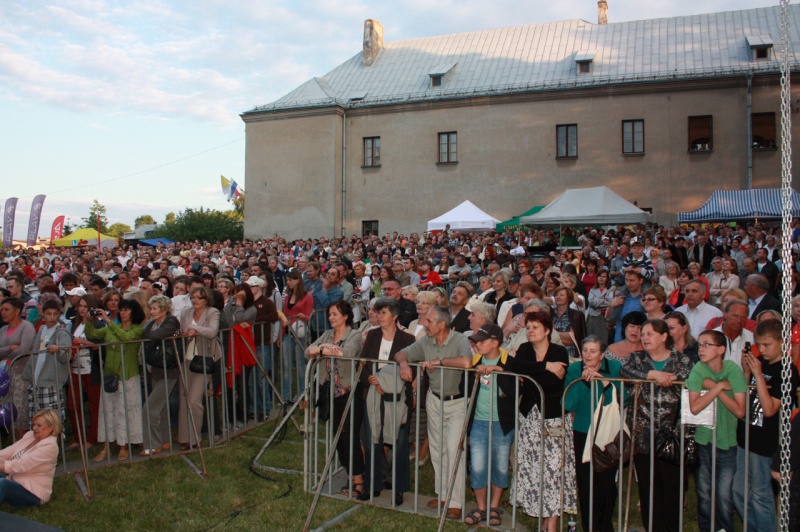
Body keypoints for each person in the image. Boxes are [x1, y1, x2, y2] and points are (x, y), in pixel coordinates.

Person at [395, 306, 473, 520]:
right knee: (437, 449)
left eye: (429, 321)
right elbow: (401, 353)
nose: (424, 324)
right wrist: (404, 365)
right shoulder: (426, 341)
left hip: (457, 402)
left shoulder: (459, 340)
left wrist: (440, 362)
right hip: (434, 399)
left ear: (442, 324)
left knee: (454, 449)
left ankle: (456, 502)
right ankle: (443, 495)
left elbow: (466, 362)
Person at [504, 311, 576, 531]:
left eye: (535, 327)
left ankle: (551, 522)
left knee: (554, 468)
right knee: (533, 466)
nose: (530, 331)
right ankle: (542, 513)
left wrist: (534, 373)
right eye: (528, 327)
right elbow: (515, 367)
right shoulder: (525, 349)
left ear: (547, 331)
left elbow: (554, 382)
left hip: (553, 418)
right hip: (529, 416)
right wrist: (545, 367)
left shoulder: (559, 351)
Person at [620, 319, 693, 532]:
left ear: (664, 336)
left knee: (672, 490)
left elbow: (690, 382)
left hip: (672, 436)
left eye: (650, 334)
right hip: (643, 435)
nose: (644, 337)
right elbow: (624, 372)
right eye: (643, 334)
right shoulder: (636, 358)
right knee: (648, 489)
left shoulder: (682, 360)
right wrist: (652, 375)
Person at [733, 319, 800, 532]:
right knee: (739, 490)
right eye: (759, 344)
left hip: (766, 441)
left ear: (782, 342)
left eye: (767, 344)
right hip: (746, 436)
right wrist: (747, 372)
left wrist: (758, 375)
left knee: (760, 493)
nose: (761, 349)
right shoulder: (759, 363)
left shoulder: (787, 370)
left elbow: (770, 409)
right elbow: (745, 396)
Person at [686, 329, 746, 532]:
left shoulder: (732, 370)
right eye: (699, 345)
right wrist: (719, 388)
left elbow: (740, 410)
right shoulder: (698, 369)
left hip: (727, 442)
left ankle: (725, 529)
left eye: (706, 345)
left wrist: (714, 388)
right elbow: (695, 407)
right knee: (704, 492)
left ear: (721, 349)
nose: (701, 349)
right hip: (704, 441)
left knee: (724, 495)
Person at [359, 297, 416, 504]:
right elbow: (363, 363)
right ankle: (373, 484)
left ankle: (398, 487)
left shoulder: (408, 339)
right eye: (377, 312)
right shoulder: (372, 336)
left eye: (383, 313)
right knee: (372, 440)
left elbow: (412, 369)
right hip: (373, 394)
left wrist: (389, 383)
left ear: (395, 315)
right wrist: (371, 380)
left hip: (398, 397)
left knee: (399, 443)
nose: (378, 316)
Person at [305, 301, 365, 498]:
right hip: (330, 392)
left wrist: (321, 349)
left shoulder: (354, 335)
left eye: (335, 314)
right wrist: (324, 347)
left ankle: (358, 479)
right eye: (330, 314)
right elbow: (308, 351)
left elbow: (347, 353)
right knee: (338, 436)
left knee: (350, 436)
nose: (331, 317)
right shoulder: (328, 335)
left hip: (349, 391)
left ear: (346, 316)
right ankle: (351, 473)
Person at [563, 335, 622, 532]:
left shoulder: (614, 368)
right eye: (585, 351)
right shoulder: (574, 369)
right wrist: (583, 381)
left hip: (607, 431)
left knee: (606, 483)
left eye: (593, 351)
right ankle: (590, 526)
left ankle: (605, 525)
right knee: (586, 482)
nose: (588, 355)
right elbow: (568, 403)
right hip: (583, 430)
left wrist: (603, 381)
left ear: (602, 354)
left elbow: (622, 397)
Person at [463, 323, 516, 527]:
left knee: (500, 467)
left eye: (481, 341)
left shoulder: (509, 361)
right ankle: (481, 507)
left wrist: (499, 371)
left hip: (502, 424)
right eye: (476, 341)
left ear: (495, 343)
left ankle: (494, 506)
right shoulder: (475, 361)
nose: (477, 344)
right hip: (479, 421)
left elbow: (515, 390)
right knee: (477, 466)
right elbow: (465, 387)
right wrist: (473, 373)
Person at [85, 298, 145, 462]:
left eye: (126, 310)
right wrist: (89, 321)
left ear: (134, 312)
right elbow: (92, 334)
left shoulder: (137, 329)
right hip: (110, 376)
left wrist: (108, 321)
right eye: (121, 310)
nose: (123, 313)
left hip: (128, 376)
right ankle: (106, 447)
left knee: (124, 411)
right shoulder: (111, 328)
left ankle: (124, 446)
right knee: (108, 412)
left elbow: (125, 337)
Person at [178, 286, 222, 450]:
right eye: (193, 297)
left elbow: (212, 332)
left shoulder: (212, 312)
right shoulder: (185, 312)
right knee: (184, 399)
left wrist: (195, 329)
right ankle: (185, 438)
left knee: (194, 400)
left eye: (198, 297)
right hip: (187, 359)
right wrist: (187, 332)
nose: (195, 300)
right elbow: (183, 330)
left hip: (205, 360)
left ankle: (195, 437)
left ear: (206, 299)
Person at [140, 294, 181, 456]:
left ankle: (153, 444)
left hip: (169, 370)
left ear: (164, 310)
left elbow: (154, 336)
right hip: (156, 369)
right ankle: (164, 440)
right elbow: (146, 334)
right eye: (151, 308)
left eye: (155, 309)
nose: (151, 312)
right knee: (161, 407)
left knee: (149, 408)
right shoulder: (153, 323)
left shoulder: (171, 321)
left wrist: (151, 337)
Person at [0, 409, 61, 508]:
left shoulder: (50, 446)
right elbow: (9, 451)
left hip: (33, 492)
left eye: (39, 426)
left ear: (51, 428)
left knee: (3, 484)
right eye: (34, 425)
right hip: (15, 480)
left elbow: (21, 465)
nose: (34, 428)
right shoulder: (30, 436)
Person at [22, 300, 70, 425]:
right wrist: (29, 374)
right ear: (43, 314)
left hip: (51, 382)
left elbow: (65, 357)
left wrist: (58, 351)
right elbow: (36, 353)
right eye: (49, 314)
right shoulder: (42, 329)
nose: (52, 317)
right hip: (36, 381)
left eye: (55, 314)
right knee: (36, 420)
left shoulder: (62, 332)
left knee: (52, 421)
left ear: (59, 314)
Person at [66, 294, 102, 450]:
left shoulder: (98, 324)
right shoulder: (75, 324)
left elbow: (100, 346)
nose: (82, 309)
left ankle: (92, 438)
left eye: (85, 306)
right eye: (80, 306)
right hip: (76, 369)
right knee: (72, 404)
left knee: (94, 405)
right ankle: (78, 437)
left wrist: (85, 343)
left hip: (92, 369)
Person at [282, 268, 314, 401]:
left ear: (297, 280)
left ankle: (302, 393)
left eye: (290, 280)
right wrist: (281, 335)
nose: (288, 282)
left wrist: (304, 317)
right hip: (288, 333)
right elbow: (284, 315)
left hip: (300, 333)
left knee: (301, 365)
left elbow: (310, 315)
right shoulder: (287, 297)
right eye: (287, 280)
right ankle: (286, 395)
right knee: (287, 366)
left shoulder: (307, 296)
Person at [608, 271, 645, 343]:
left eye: (632, 280)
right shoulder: (621, 298)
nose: (628, 284)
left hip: (637, 343)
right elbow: (608, 323)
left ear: (641, 280)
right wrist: (611, 306)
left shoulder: (645, 300)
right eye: (626, 280)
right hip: (619, 341)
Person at [552, 286, 585, 360]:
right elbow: (547, 335)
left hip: (571, 355)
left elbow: (572, 338)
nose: (558, 297)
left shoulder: (576, 315)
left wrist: (554, 333)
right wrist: (565, 336)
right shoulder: (549, 314)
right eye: (556, 295)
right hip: (552, 354)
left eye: (562, 295)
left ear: (569, 298)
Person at [586, 270, 614, 340]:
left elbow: (609, 302)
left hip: (604, 317)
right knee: (592, 338)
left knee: (603, 338)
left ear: (607, 278)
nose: (601, 278)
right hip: (593, 316)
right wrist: (603, 299)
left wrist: (596, 301)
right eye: (599, 276)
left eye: (604, 276)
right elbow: (591, 303)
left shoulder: (611, 289)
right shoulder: (592, 289)